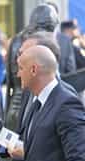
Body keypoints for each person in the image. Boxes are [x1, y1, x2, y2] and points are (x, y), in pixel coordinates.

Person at [5, 3, 76, 131]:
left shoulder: (16, 40)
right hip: (36, 107)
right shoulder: (48, 43)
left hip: (17, 106)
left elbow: (10, 81)